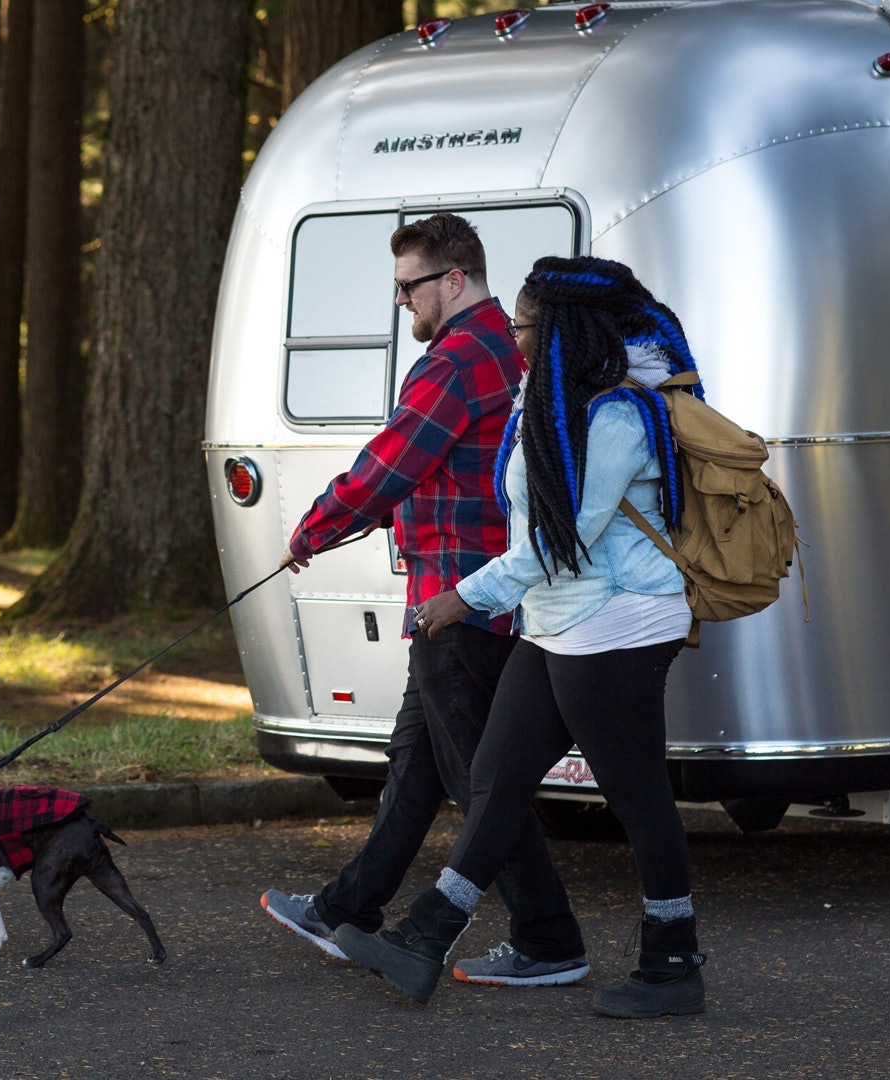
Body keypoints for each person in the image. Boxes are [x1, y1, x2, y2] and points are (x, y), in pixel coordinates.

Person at [336, 254, 707, 1019]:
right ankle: (424, 938)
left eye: (526, 325)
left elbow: (556, 539)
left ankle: (672, 965)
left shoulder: (617, 416)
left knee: (638, 801)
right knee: (497, 780)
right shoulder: (552, 398)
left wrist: (463, 600)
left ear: (564, 329)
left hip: (618, 624)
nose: (515, 335)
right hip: (557, 620)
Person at [258, 213, 588, 988]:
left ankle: (550, 939)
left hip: (460, 601)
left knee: (483, 779)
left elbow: (394, 461)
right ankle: (349, 908)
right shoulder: (505, 349)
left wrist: (313, 528)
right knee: (415, 763)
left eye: (409, 288)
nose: (403, 304)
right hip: (471, 594)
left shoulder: (459, 358)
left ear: (454, 279)